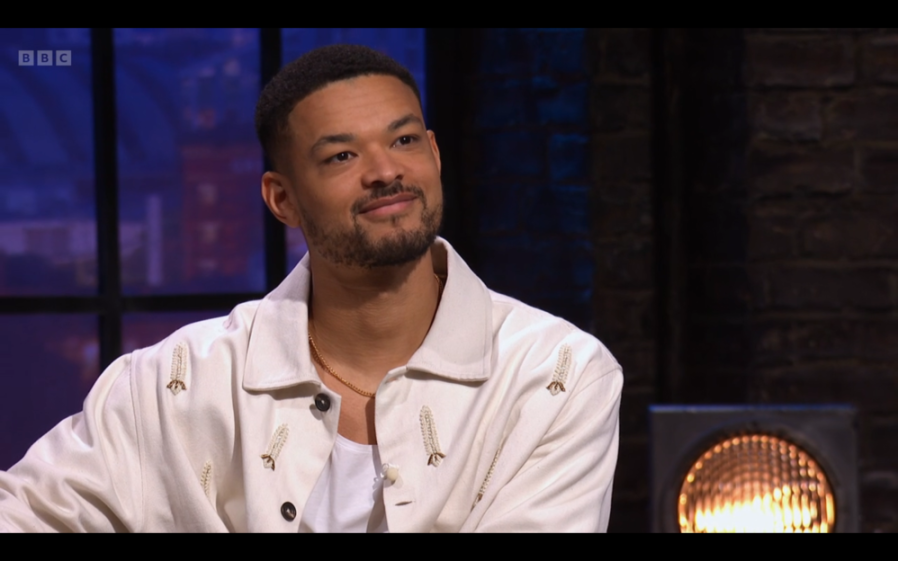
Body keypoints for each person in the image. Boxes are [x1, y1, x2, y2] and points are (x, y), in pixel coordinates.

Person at [0, 44, 623, 533]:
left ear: (433, 153)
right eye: (341, 158)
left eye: (404, 141)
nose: (386, 173)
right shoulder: (174, 384)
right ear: (282, 198)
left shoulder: (556, 376)